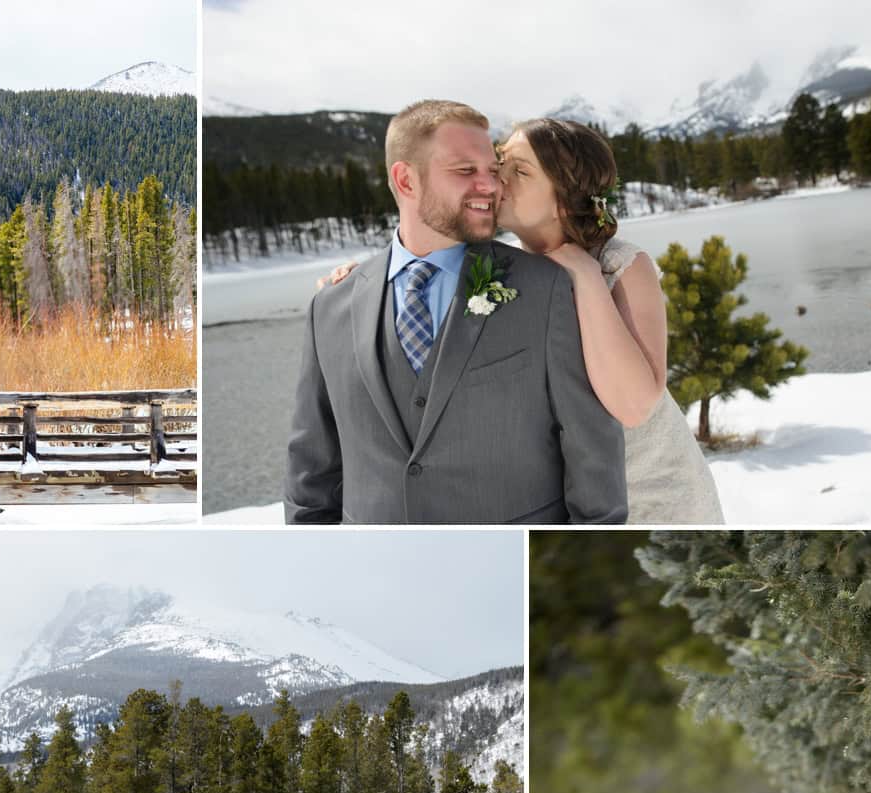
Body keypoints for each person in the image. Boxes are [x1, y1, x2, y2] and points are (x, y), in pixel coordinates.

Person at [284, 98, 626, 527]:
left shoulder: (546, 286)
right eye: (466, 171)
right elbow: (310, 475)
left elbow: (594, 458)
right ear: (406, 180)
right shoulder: (330, 307)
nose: (491, 186)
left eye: (492, 170)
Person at [493, 118, 723, 524]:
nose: (499, 178)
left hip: (653, 498)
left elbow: (634, 406)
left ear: (563, 200)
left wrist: (584, 277)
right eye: (501, 163)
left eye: (521, 171)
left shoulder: (621, 266)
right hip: (563, 504)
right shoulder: (497, 269)